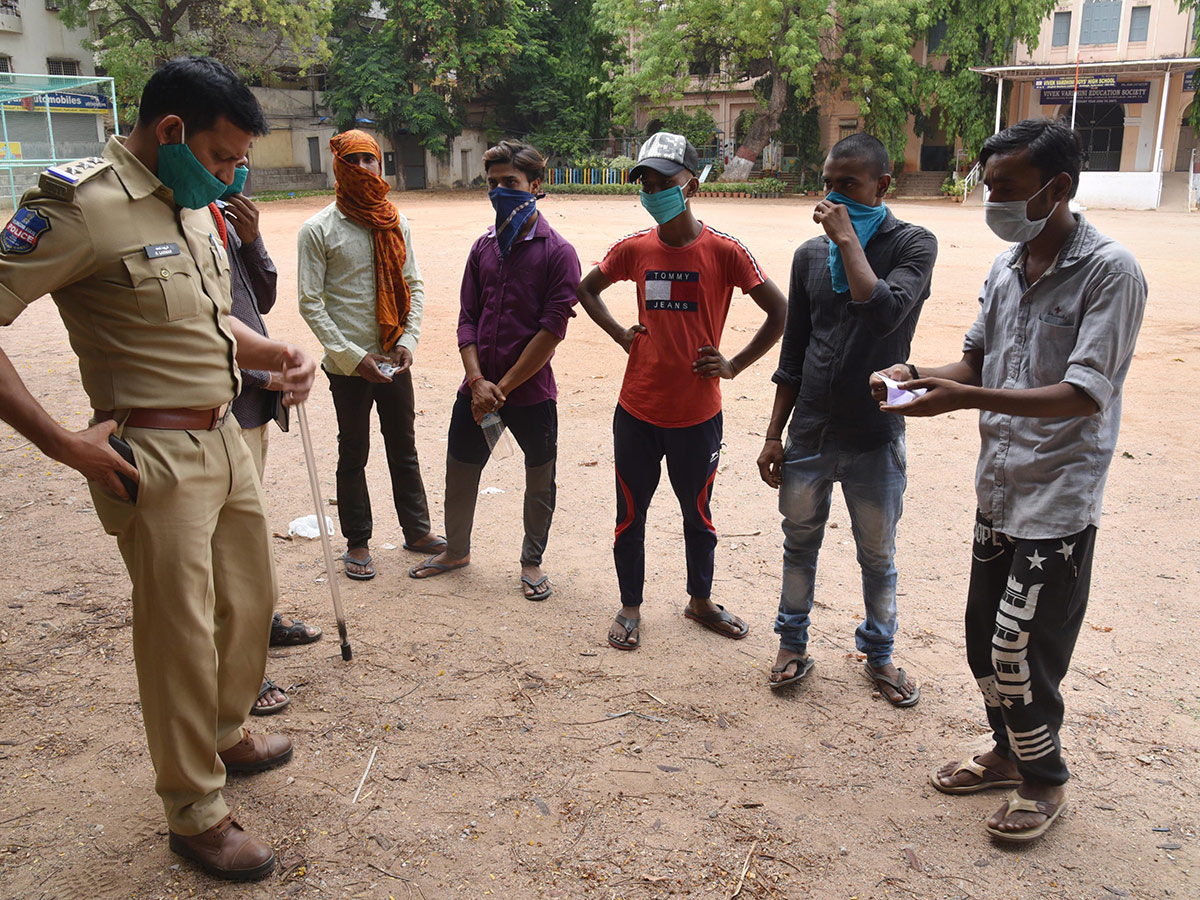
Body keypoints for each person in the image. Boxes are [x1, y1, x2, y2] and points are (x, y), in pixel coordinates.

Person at [0, 56, 318, 879]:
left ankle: (223, 730)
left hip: (226, 437)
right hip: (153, 457)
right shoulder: (82, 209)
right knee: (179, 633)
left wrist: (272, 351)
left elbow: (213, 325)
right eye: (220, 157)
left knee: (249, 604)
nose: (229, 173)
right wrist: (60, 440)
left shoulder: (196, 207)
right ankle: (196, 811)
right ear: (171, 130)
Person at [873, 118, 1146, 843]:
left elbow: (1085, 394)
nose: (992, 201)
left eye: (1007, 189)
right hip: (999, 488)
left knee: (1017, 649)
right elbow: (976, 363)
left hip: (1057, 499)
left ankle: (1044, 779)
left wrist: (967, 397)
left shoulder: (1110, 273)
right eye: (988, 185)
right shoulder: (1007, 266)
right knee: (978, 644)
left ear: (1058, 189)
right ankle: (1005, 752)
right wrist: (916, 376)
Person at [577, 132, 787, 651]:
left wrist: (734, 363)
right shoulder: (634, 249)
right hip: (638, 410)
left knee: (699, 513)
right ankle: (630, 606)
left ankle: (699, 601)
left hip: (697, 415)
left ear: (690, 183)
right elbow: (586, 289)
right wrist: (621, 333)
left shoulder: (724, 251)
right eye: (645, 182)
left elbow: (780, 312)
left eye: (662, 181)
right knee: (631, 512)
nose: (651, 190)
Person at [756, 133, 937, 704]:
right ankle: (792, 644)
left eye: (849, 185)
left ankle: (879, 654)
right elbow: (795, 351)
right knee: (798, 541)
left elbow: (884, 315)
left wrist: (847, 239)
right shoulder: (811, 256)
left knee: (878, 552)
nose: (834, 197)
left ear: (883, 186)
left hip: (875, 431)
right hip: (810, 428)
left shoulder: (914, 244)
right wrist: (772, 433)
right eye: (829, 183)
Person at [409, 141, 580, 599]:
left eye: (511, 183)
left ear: (536, 186)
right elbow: (467, 317)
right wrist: (477, 381)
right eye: (493, 184)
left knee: (539, 478)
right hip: (477, 390)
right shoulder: (482, 247)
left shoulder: (558, 253)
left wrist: (500, 387)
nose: (501, 192)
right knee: (460, 470)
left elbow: (551, 331)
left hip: (531, 393)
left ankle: (531, 561)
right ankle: (457, 550)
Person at [298, 130, 444, 581]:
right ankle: (358, 541)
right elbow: (310, 302)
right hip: (349, 366)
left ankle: (417, 530)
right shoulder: (318, 230)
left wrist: (408, 341)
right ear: (340, 167)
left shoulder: (394, 222)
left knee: (404, 447)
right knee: (353, 450)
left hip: (394, 357)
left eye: (371, 159)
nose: (364, 168)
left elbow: (414, 286)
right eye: (355, 160)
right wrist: (350, 355)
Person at [210, 184, 322, 718]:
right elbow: (195, 331)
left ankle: (259, 622)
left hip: (252, 406)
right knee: (222, 549)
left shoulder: (225, 219)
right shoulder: (177, 216)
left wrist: (251, 241)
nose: (236, 173)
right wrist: (263, 372)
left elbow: (258, 303)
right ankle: (237, 663)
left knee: (248, 531)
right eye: (226, 159)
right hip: (219, 405)